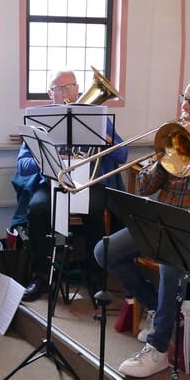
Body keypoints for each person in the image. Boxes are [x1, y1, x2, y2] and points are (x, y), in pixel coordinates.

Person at [95, 71, 190, 378]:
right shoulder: (176, 135)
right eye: (185, 99)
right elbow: (146, 184)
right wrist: (166, 154)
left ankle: (158, 348)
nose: (185, 107)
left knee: (171, 257)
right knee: (105, 250)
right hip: (165, 224)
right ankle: (157, 307)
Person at [12, 68, 126, 302]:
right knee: (36, 210)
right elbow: (22, 166)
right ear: (49, 94)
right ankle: (41, 276)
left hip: (89, 183)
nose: (64, 92)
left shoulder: (99, 119)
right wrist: (46, 155)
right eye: (58, 88)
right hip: (53, 182)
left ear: (78, 90)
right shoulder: (39, 122)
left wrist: (108, 140)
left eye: (69, 86)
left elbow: (122, 154)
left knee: (94, 212)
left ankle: (95, 278)